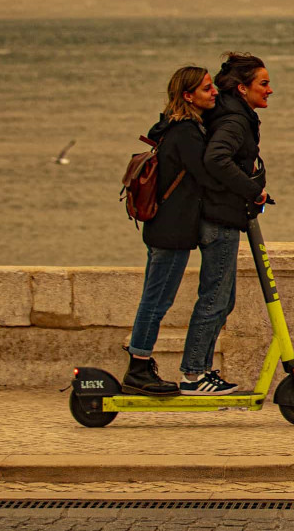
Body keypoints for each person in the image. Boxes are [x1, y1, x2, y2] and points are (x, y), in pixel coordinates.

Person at [172, 53, 273, 395]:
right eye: (263, 83)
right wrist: (252, 189)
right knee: (215, 298)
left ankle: (200, 369)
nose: (270, 90)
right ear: (243, 88)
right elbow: (217, 158)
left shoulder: (234, 113)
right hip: (219, 220)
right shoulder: (234, 120)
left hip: (223, 217)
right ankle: (193, 375)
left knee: (223, 299)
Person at [123, 66, 222, 396]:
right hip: (172, 231)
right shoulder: (186, 133)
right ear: (188, 96)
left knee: (155, 298)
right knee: (157, 301)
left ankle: (139, 363)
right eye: (207, 89)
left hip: (161, 227)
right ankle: (138, 367)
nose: (214, 93)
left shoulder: (168, 128)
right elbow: (207, 174)